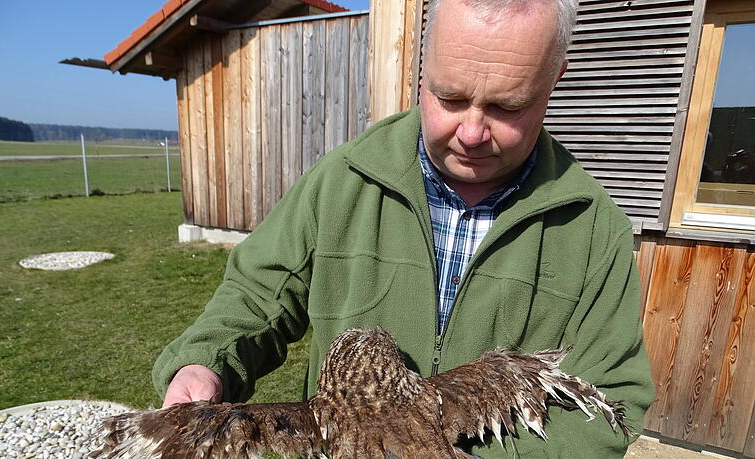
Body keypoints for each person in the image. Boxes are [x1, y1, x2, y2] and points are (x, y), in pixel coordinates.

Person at [153, 0, 654, 456]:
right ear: (423, 68)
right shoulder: (344, 181)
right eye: (450, 97)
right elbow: (257, 295)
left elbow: (609, 405)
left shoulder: (591, 227)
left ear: (554, 80)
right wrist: (204, 363)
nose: (472, 132)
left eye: (507, 106)